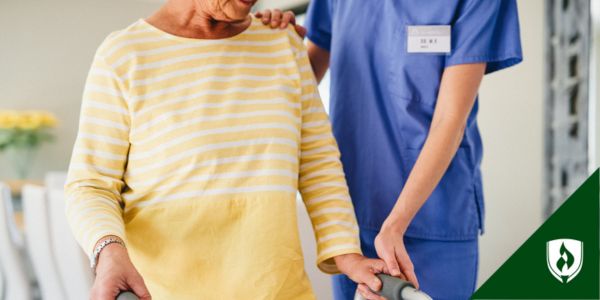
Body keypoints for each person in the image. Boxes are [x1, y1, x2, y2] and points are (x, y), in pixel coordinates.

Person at [64, 0, 390, 299]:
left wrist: (347, 253)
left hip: (278, 290)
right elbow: (91, 185)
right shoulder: (124, 55)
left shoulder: (281, 43)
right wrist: (108, 250)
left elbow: (319, 163)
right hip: (164, 291)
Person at [257, 1, 523, 299]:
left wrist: (395, 224)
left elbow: (451, 120)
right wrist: (267, 43)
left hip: (432, 217)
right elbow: (301, 84)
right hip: (350, 220)